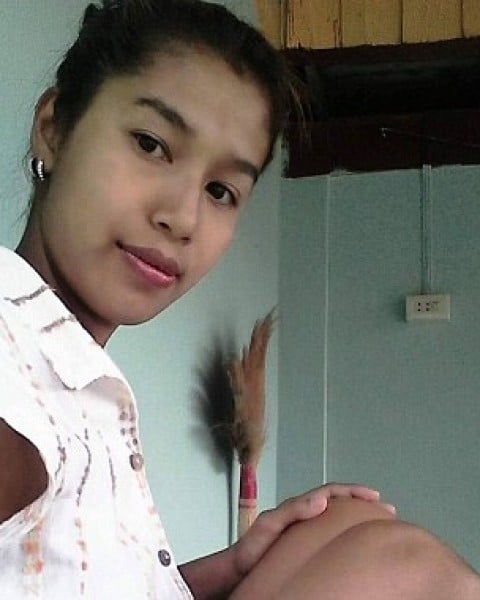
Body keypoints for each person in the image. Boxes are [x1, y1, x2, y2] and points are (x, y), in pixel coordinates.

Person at [0, 0, 478, 598]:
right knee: (410, 567)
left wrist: (229, 568)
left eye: (221, 190)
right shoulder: (13, 363)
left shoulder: (72, 378)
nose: (182, 216)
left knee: (345, 521)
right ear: (54, 127)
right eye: (151, 144)